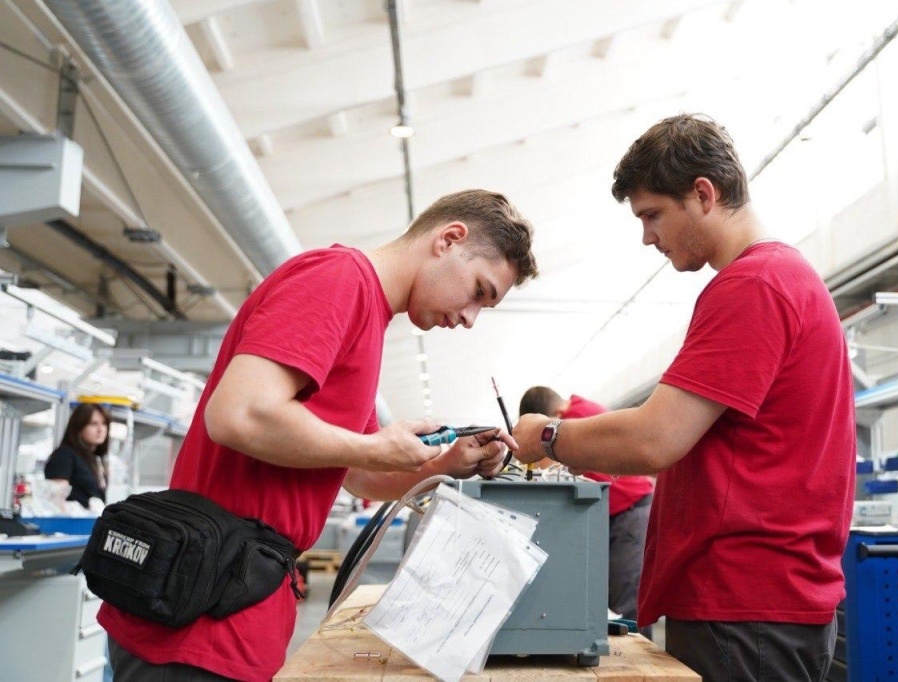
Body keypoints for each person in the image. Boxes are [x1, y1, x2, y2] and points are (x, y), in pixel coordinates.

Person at [99, 189, 538, 681]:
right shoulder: (339, 281)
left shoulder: (370, 318)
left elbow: (355, 474)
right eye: (479, 291)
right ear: (450, 240)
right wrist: (374, 444)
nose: (469, 319)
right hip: (198, 611)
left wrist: (443, 465)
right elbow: (237, 413)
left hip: (237, 598)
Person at [512, 114, 855, 682]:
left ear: (703, 194)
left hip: (745, 605)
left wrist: (548, 436)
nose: (648, 236)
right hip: (772, 601)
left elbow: (655, 438)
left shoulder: (752, 285)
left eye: (652, 215)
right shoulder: (787, 278)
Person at [518, 387, 654, 638]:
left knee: (629, 600)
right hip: (616, 512)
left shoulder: (575, 417)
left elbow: (548, 460)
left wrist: (536, 441)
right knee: (615, 598)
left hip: (631, 511)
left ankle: (640, 660)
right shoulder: (578, 411)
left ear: (556, 414)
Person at [44, 402, 111, 510]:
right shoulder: (64, 455)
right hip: (71, 525)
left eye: (104, 424)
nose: (101, 429)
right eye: (93, 424)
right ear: (79, 426)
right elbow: (56, 502)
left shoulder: (94, 459)